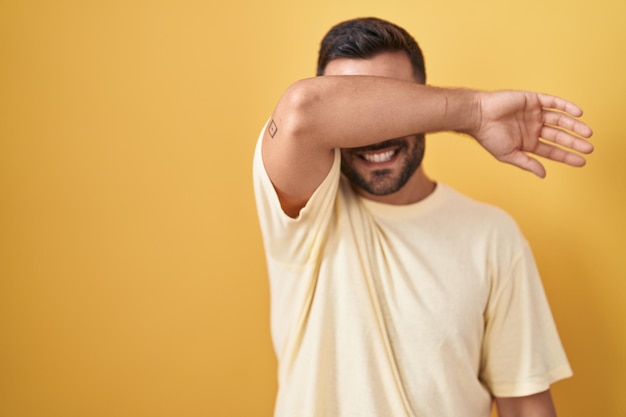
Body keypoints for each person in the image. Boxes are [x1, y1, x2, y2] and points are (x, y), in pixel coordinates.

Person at [253, 17, 593, 417]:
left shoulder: (492, 234)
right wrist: (473, 111)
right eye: (358, 108)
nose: (373, 134)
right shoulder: (302, 215)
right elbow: (303, 112)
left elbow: (525, 404)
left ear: (419, 107)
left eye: (390, 106)